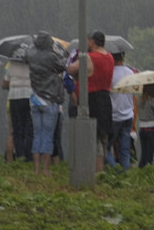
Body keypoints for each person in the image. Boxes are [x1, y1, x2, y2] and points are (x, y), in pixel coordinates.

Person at [66, 31, 114, 174]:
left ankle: (96, 171)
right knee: (103, 135)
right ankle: (101, 168)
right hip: (105, 98)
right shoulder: (109, 57)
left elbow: (70, 68)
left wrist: (77, 76)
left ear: (92, 42)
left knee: (93, 135)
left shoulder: (89, 58)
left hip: (92, 98)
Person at [22, 31, 66, 176]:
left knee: (37, 135)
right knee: (47, 135)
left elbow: (24, 54)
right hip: (50, 98)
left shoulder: (31, 55)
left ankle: (36, 169)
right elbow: (63, 65)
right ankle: (46, 169)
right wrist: (59, 50)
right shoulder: (52, 57)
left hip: (35, 98)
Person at [2, 58, 33, 163]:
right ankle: (29, 157)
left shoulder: (11, 64)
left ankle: (20, 156)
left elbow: (4, 84)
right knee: (29, 130)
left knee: (17, 130)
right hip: (30, 98)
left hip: (14, 98)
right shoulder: (32, 63)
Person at [108, 52, 135, 171]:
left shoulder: (110, 73)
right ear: (123, 57)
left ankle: (114, 169)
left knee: (105, 147)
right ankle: (125, 173)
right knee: (124, 149)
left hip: (114, 115)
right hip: (128, 114)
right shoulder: (130, 73)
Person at [137, 83, 154, 167]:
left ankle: (140, 173)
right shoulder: (153, 100)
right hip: (151, 129)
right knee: (150, 156)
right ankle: (148, 174)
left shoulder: (139, 100)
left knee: (144, 154)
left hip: (142, 129)